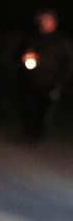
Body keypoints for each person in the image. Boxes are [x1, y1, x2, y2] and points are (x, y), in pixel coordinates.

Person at [18, 9, 73, 141]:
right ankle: (26, 132)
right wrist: (25, 58)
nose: (43, 22)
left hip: (50, 81)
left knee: (43, 110)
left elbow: (67, 63)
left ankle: (37, 135)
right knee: (28, 106)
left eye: (47, 20)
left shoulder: (61, 41)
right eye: (42, 20)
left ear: (54, 22)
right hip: (31, 78)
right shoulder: (33, 37)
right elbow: (23, 53)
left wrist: (61, 82)